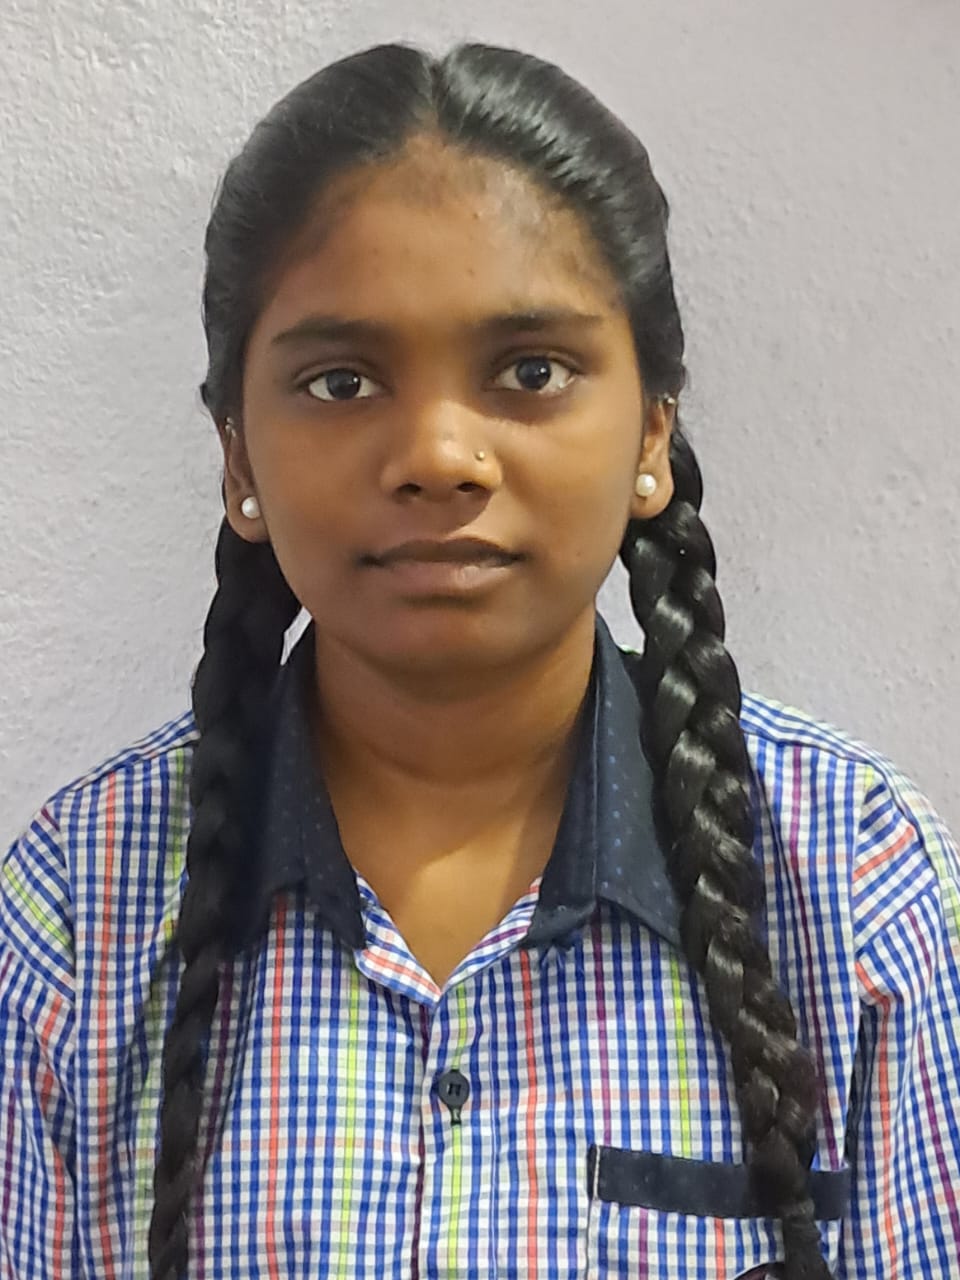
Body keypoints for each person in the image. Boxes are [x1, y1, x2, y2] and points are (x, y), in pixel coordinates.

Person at [1, 38, 957, 1280]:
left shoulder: (857, 883)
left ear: (651, 435)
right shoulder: (82, 909)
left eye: (531, 370)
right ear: (239, 457)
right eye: (341, 380)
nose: (439, 456)